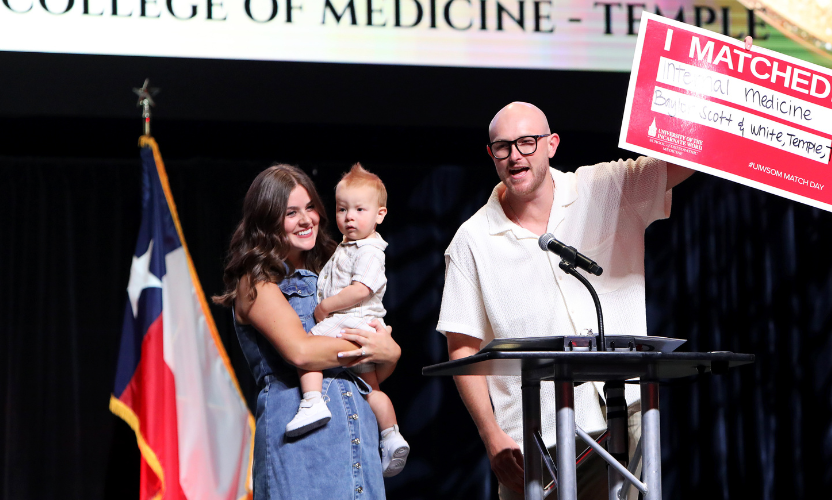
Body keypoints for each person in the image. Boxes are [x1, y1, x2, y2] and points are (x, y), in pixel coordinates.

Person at [436, 102, 694, 500]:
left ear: (552, 144)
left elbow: (683, 160)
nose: (515, 155)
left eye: (527, 142)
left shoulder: (602, 188)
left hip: (624, 414)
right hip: (536, 440)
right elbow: (462, 347)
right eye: (503, 147)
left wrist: (717, 99)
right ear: (491, 154)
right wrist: (490, 435)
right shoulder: (471, 240)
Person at [213, 164, 401, 499]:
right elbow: (301, 351)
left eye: (310, 207)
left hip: (356, 439)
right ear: (267, 220)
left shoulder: (334, 270)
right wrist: (375, 347)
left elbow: (368, 374)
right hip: (303, 449)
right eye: (291, 213)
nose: (306, 220)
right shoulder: (255, 281)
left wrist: (389, 356)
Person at [285, 163, 410, 477]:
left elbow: (361, 289)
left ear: (380, 214)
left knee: (311, 345)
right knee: (372, 388)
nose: (349, 217)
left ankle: (312, 400)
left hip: (351, 319)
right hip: (357, 323)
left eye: (359, 209)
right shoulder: (348, 246)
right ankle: (391, 435)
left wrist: (325, 307)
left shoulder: (369, 250)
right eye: (342, 209)